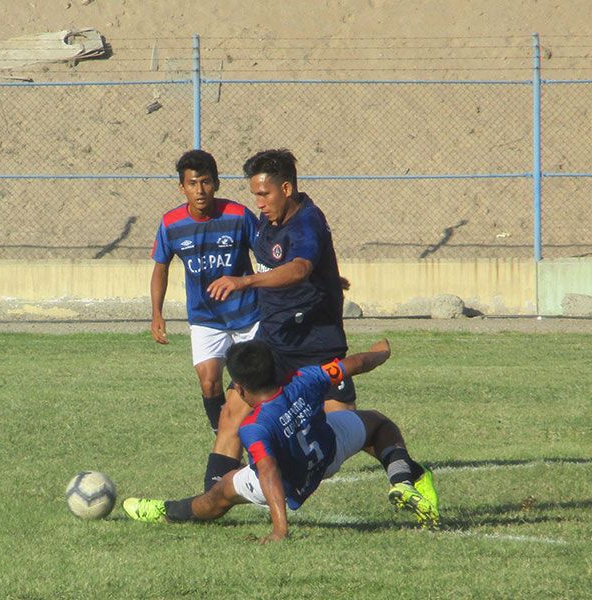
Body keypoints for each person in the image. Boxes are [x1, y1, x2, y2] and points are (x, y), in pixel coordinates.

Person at [123, 338, 440, 542]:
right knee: (377, 424)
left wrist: (280, 529)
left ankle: (163, 510)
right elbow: (354, 365)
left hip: (289, 481)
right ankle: (402, 479)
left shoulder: (254, 427)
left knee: (216, 497)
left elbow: (269, 472)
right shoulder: (306, 378)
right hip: (328, 452)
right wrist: (382, 352)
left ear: (240, 387)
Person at [203, 149, 355, 487]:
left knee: (347, 428)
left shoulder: (307, 222)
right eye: (254, 194)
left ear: (286, 189)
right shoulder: (269, 220)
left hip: (316, 342)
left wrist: (244, 281)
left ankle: (403, 470)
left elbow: (300, 268)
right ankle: (212, 497)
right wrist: (329, 278)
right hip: (273, 340)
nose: (258, 202)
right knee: (232, 414)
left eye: (263, 193)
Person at [150, 149, 262, 490]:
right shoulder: (171, 224)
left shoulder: (240, 215)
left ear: (216, 183)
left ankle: (259, 444)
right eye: (192, 183)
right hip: (205, 319)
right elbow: (161, 268)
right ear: (182, 188)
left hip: (248, 316)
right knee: (209, 382)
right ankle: (226, 440)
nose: (200, 190)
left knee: (253, 386)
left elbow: (268, 255)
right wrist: (157, 313)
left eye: (206, 182)